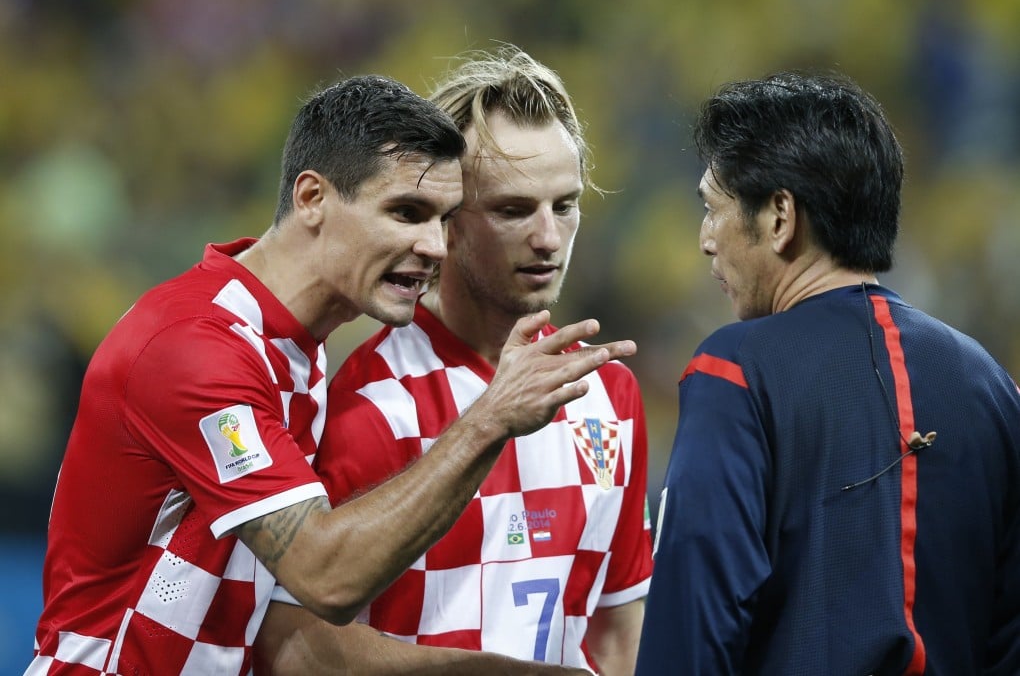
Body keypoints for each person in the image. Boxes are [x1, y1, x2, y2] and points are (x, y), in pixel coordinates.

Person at [28, 74, 634, 675]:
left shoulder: (294, 347)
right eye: (406, 212)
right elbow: (327, 576)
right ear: (312, 198)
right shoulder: (193, 348)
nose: (434, 246)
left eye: (442, 219)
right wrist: (489, 419)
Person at [255, 46, 654, 675]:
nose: (548, 237)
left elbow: (615, 636)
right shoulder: (374, 402)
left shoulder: (610, 396)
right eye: (512, 210)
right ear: (448, 222)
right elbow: (296, 649)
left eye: (565, 204)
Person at [635, 71, 1020, 675]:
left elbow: (693, 623)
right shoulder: (992, 386)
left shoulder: (734, 370)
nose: (707, 239)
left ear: (781, 217)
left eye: (714, 209)